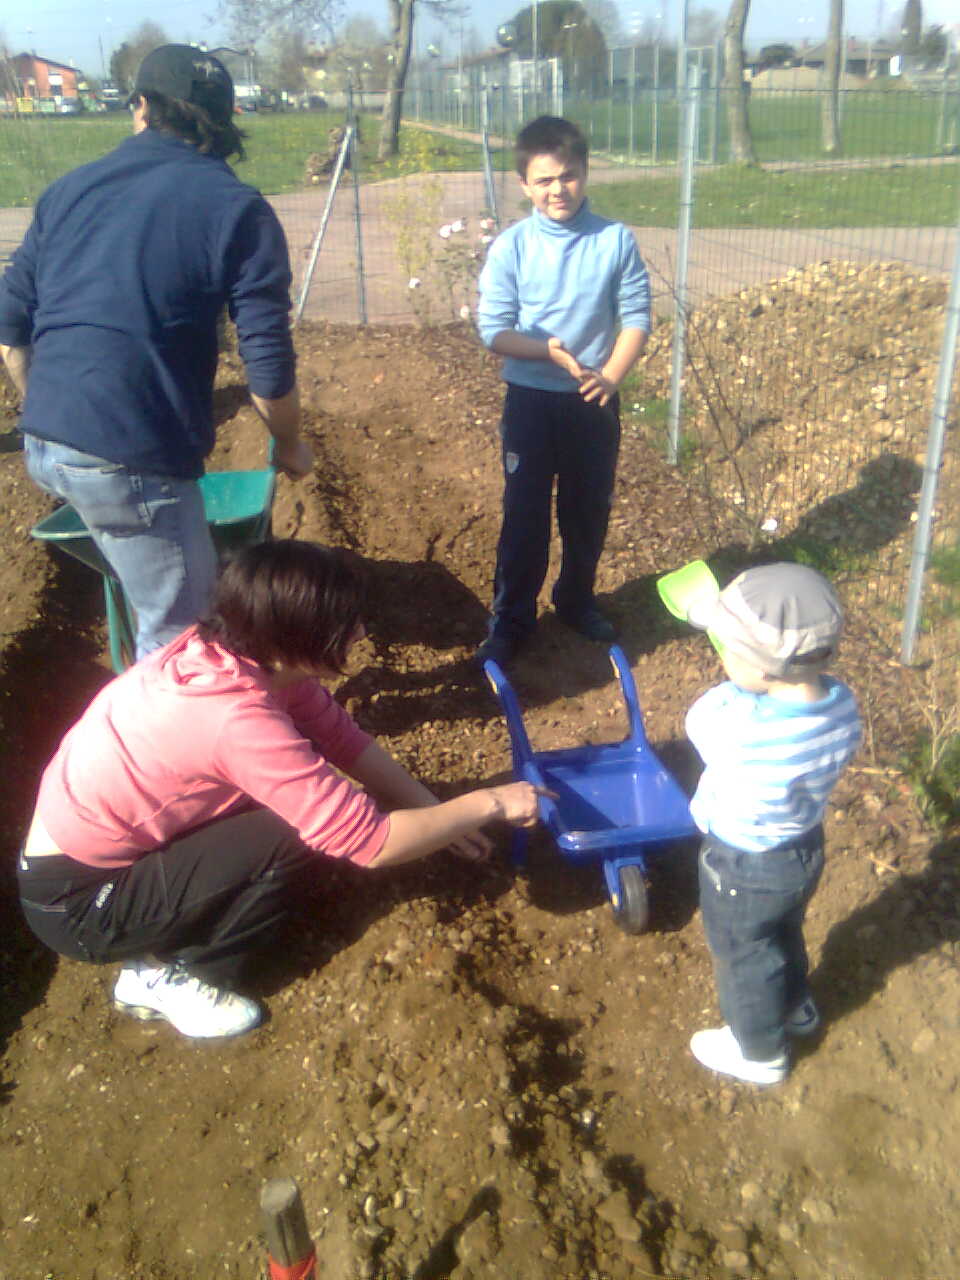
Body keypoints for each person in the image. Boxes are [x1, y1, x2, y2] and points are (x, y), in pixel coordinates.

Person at [17, 540, 541, 1040]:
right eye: (346, 625)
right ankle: (177, 975)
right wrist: (489, 802)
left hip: (95, 854)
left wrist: (434, 810)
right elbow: (372, 844)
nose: (359, 632)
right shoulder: (234, 720)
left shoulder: (235, 654)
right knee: (293, 830)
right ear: (294, 639)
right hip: (79, 903)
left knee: (298, 799)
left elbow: (341, 737)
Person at [0, 45, 312, 659]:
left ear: (140, 107)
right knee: (184, 643)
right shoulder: (237, 209)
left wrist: (48, 410)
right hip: (131, 455)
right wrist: (290, 445)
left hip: (46, 443)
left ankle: (134, 712)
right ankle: (164, 749)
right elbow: (268, 371)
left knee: (149, 589)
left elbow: (11, 329)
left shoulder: (68, 190)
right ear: (225, 123)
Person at [475, 115, 651, 667]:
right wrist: (546, 351)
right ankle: (512, 617)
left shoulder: (614, 240)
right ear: (525, 185)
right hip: (531, 401)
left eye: (569, 176)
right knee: (524, 513)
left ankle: (575, 599)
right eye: (545, 179)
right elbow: (494, 331)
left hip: (592, 402)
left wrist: (611, 376)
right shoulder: (514, 247)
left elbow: (637, 317)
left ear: (585, 173)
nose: (559, 189)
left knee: (586, 509)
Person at [679, 562, 861, 1085]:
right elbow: (760, 683)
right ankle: (796, 1006)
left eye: (726, 649)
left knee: (745, 954)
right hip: (802, 848)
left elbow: (699, 720)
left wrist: (740, 686)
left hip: (744, 863)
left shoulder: (741, 727)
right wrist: (750, 674)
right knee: (782, 932)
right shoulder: (842, 705)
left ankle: (758, 1052)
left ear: (761, 670)